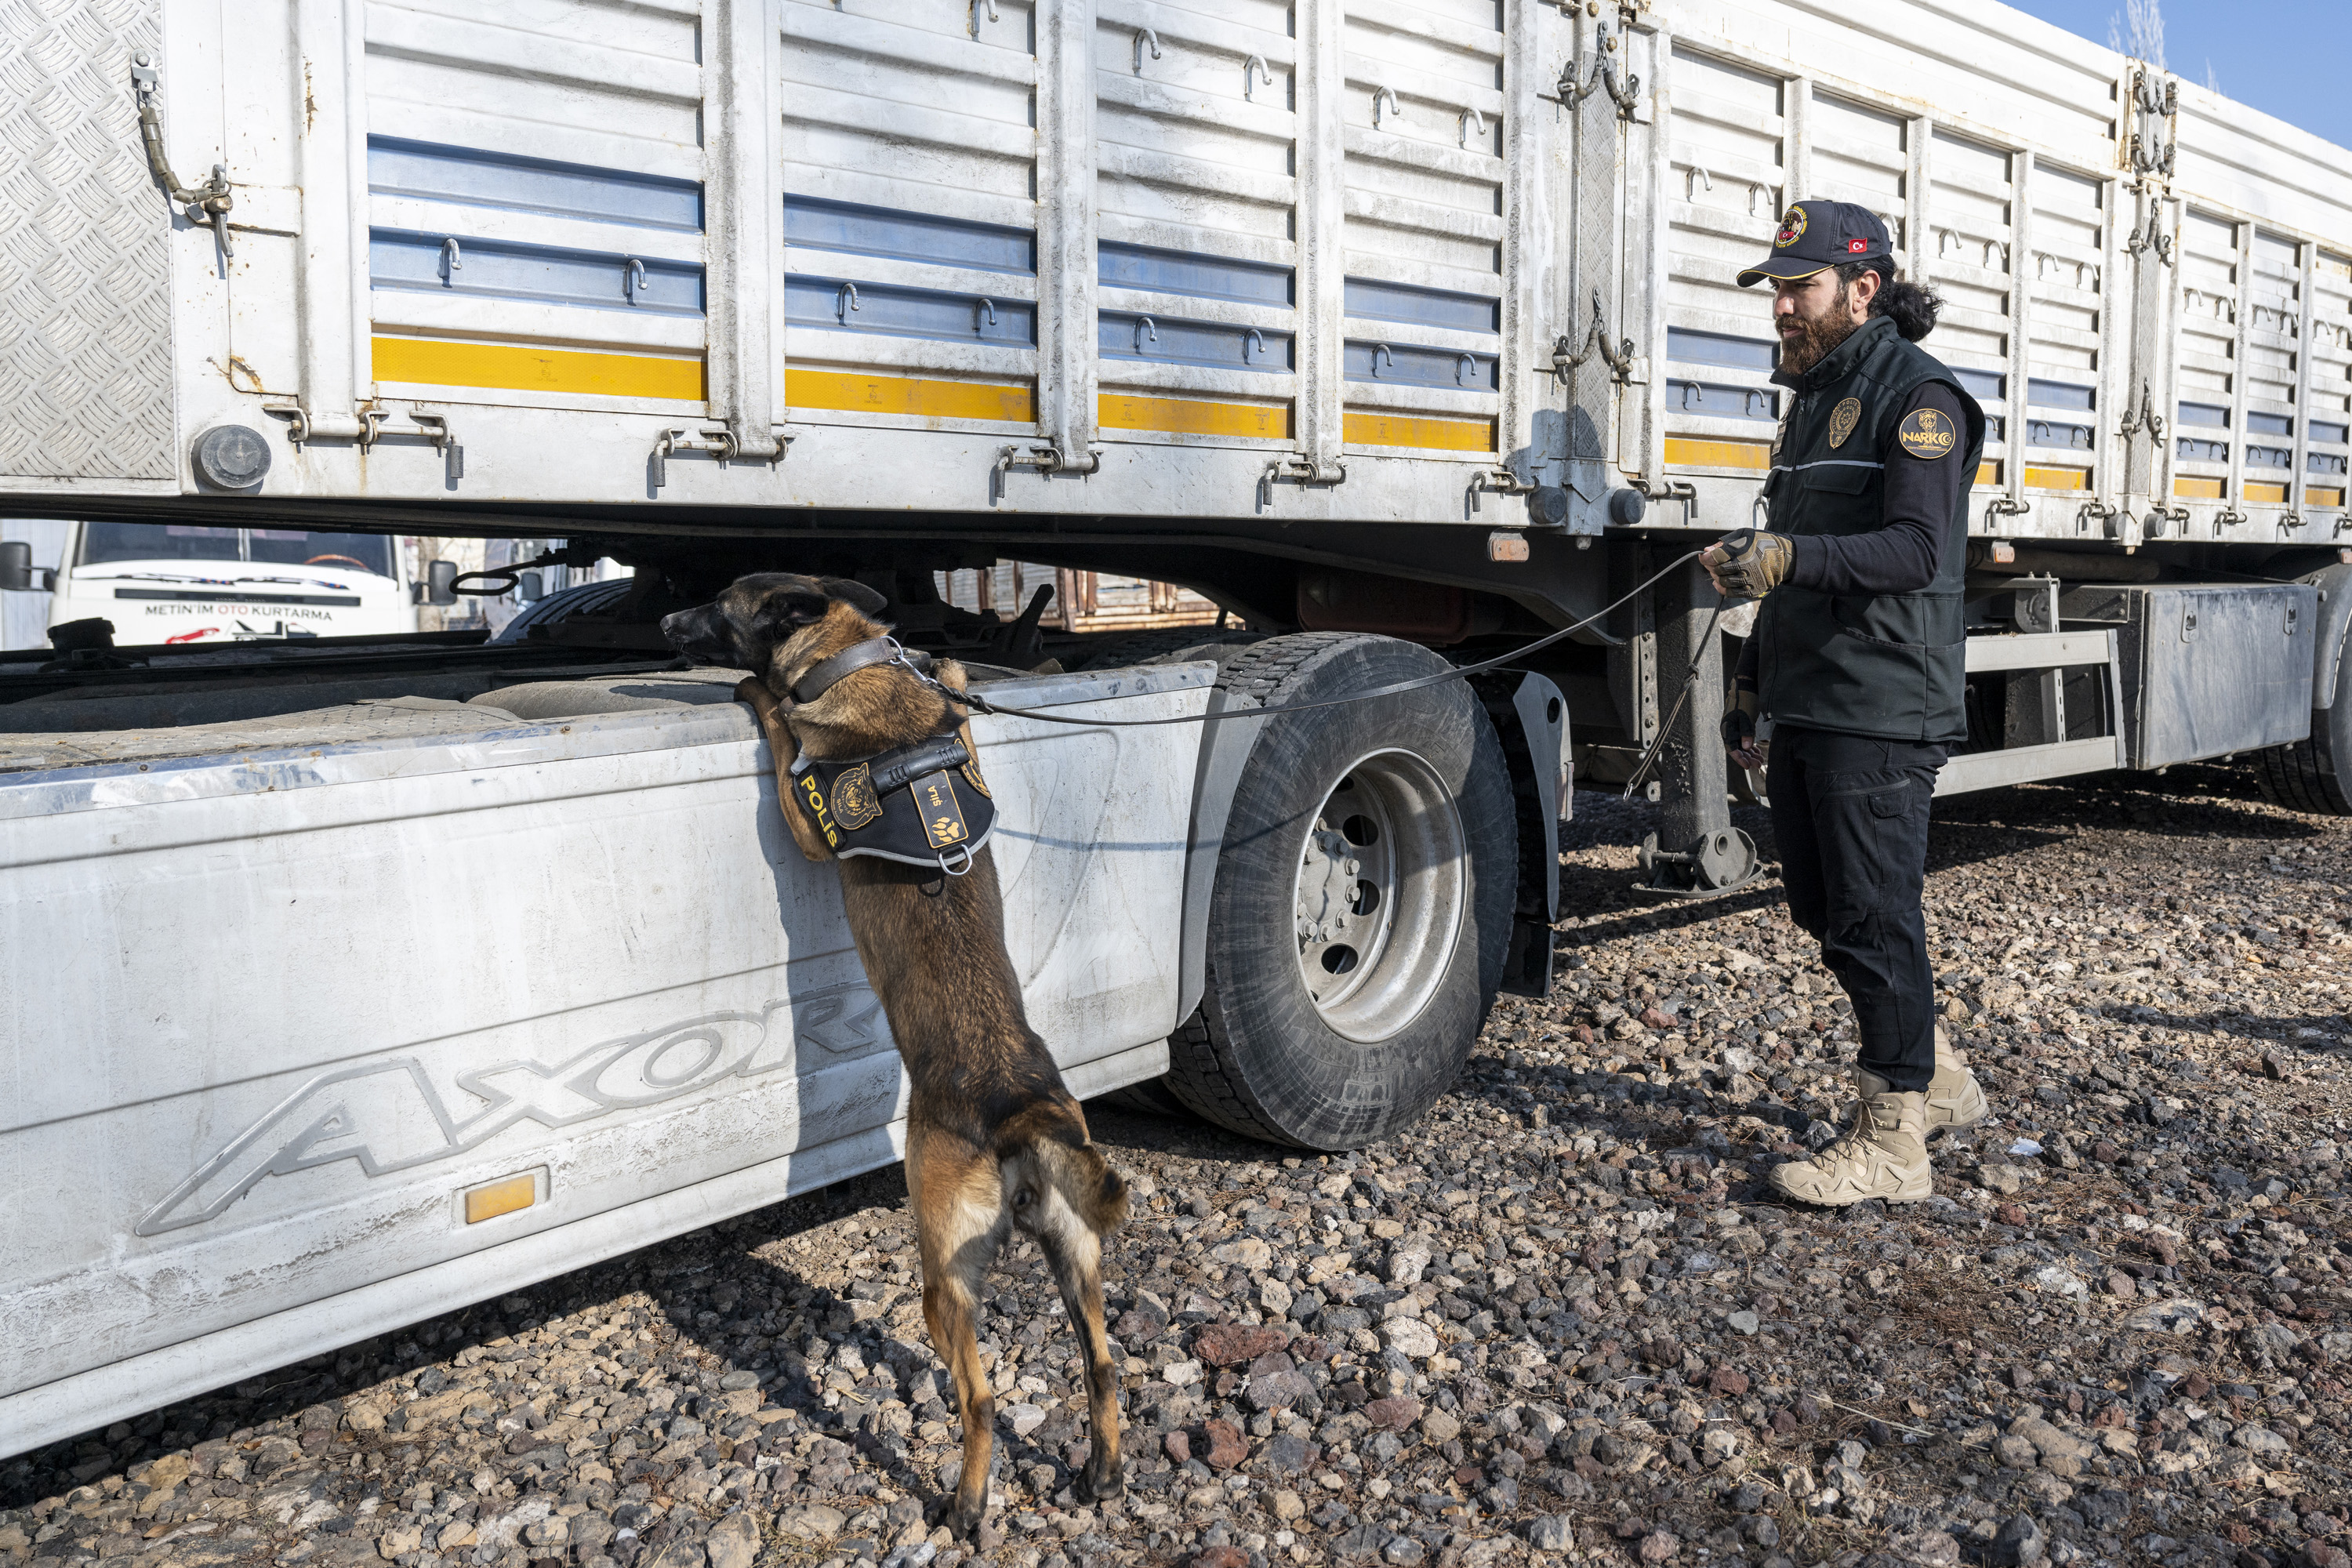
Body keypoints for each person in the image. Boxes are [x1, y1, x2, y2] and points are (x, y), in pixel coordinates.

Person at [1700, 200, 1991, 1207]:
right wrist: (1749, 693)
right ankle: (1938, 1076)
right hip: (1813, 695)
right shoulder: (1813, 396)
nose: (1781, 306)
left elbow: (1914, 549)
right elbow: (1792, 565)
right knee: (1824, 908)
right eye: (1776, 288)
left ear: (1863, 289)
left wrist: (1785, 555)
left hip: (1881, 703)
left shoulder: (1920, 398)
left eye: (1799, 287)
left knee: (1873, 914)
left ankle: (1896, 1137)